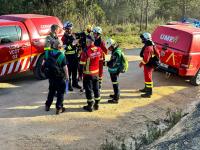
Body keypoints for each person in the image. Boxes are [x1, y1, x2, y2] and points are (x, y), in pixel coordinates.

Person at [44, 40, 69, 114]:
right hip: (59, 77)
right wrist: (67, 76)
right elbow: (65, 67)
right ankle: (59, 108)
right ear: (60, 47)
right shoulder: (61, 55)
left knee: (51, 91)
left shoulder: (48, 52)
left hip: (51, 77)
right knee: (60, 93)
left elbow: (46, 47)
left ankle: (47, 106)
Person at [79, 35, 103, 112]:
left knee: (88, 90)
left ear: (89, 42)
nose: (86, 43)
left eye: (87, 41)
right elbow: (101, 62)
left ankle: (90, 105)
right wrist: (100, 74)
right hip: (96, 74)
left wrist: (80, 75)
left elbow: (81, 65)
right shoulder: (99, 49)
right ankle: (97, 104)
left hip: (87, 74)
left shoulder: (85, 52)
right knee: (96, 89)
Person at [62, 21, 81, 91]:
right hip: (68, 57)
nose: (67, 30)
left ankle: (75, 83)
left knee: (75, 71)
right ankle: (69, 85)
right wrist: (72, 45)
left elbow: (76, 45)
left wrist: (78, 46)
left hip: (75, 56)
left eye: (68, 29)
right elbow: (65, 48)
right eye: (66, 29)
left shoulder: (73, 36)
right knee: (68, 72)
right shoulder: (63, 38)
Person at [139, 32, 160, 98]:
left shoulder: (148, 47)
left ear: (146, 39)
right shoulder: (151, 44)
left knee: (148, 78)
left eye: (143, 38)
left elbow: (146, 59)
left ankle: (149, 93)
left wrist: (141, 63)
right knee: (147, 77)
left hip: (149, 65)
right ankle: (146, 89)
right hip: (149, 64)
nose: (142, 40)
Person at [105, 38, 122, 104]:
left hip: (115, 70)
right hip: (114, 70)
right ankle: (116, 94)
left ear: (112, 45)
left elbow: (112, 63)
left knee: (115, 83)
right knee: (114, 83)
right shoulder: (115, 50)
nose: (108, 49)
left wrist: (105, 63)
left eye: (109, 48)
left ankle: (116, 98)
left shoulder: (116, 52)